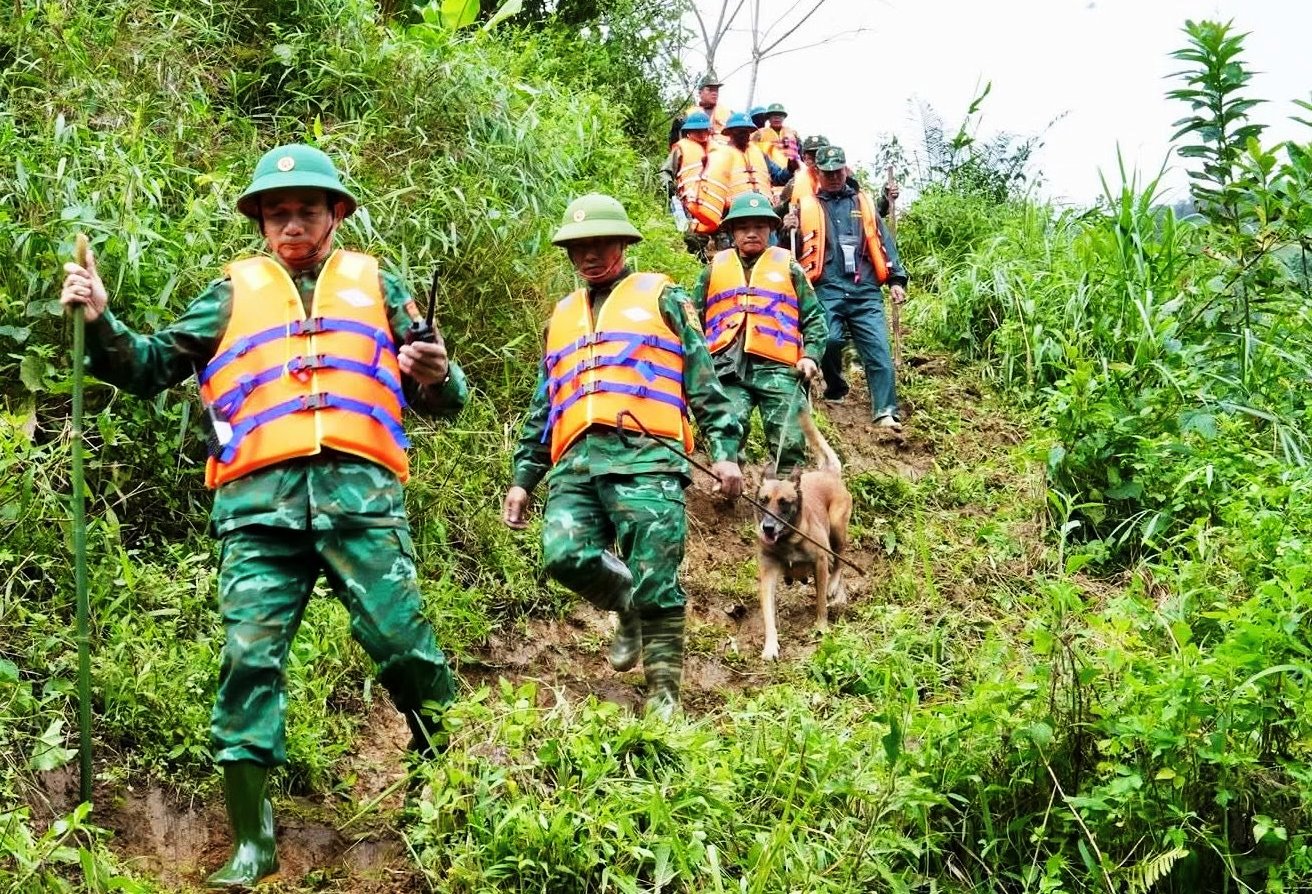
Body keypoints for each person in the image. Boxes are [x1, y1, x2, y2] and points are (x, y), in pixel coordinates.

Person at [60, 144, 464, 889]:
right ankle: (254, 841)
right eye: (277, 215)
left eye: (307, 212)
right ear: (260, 223)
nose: (292, 228)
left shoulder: (381, 283)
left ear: (336, 213)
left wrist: (439, 375)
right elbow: (148, 368)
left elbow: (445, 392)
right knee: (249, 662)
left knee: (405, 647)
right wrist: (102, 318)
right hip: (258, 513)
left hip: (361, 504)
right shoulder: (227, 293)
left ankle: (446, 793)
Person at [501, 194, 744, 717]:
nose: (589, 256)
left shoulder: (664, 297)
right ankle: (625, 604)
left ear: (622, 243)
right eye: (578, 248)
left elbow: (704, 383)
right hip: (576, 464)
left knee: (658, 577)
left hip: (647, 458)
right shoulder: (561, 318)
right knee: (563, 553)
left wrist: (725, 452)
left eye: (599, 244)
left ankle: (663, 696)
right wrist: (524, 476)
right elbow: (547, 401)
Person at [691, 193, 827, 472]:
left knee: (788, 438)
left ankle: (787, 499)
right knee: (728, 427)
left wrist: (811, 356)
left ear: (771, 230)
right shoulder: (712, 270)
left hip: (779, 367)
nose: (751, 233)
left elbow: (814, 317)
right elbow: (693, 322)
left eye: (759, 227)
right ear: (731, 232)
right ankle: (728, 489)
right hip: (728, 366)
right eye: (743, 227)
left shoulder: (790, 267)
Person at [795, 145, 909, 429]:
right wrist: (788, 228)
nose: (834, 177)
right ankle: (835, 385)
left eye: (838, 171)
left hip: (864, 289)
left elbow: (883, 241)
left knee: (878, 351)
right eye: (828, 172)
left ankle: (886, 411)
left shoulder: (863, 203)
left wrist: (896, 280)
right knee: (829, 341)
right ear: (817, 173)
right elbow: (788, 246)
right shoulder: (806, 206)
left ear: (845, 170)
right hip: (826, 288)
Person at [659, 111, 721, 260]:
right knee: (693, 241)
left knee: (719, 242)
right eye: (697, 130)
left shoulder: (717, 150)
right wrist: (668, 186)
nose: (701, 133)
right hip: (690, 204)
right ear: (688, 132)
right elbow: (665, 172)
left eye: (704, 130)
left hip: (715, 204)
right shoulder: (680, 148)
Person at [672, 71, 733, 146]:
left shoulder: (729, 114)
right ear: (700, 93)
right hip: (697, 154)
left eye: (716, 89)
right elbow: (676, 144)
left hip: (723, 154)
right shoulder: (687, 116)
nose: (715, 93)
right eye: (710, 89)